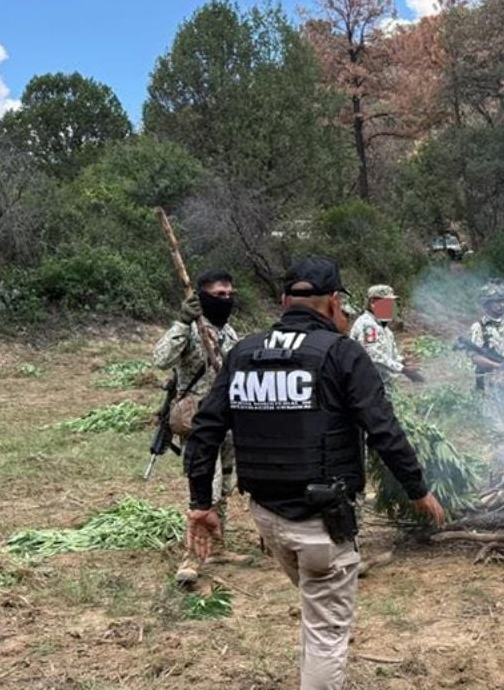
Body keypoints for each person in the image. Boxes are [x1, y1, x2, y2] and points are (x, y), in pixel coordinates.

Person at [183, 256, 446, 690]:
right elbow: (383, 429)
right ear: (334, 303)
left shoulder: (244, 352)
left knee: (316, 609)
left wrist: (199, 504)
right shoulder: (343, 353)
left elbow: (205, 431)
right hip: (321, 522)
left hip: (268, 519)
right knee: (327, 633)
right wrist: (418, 490)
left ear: (284, 302)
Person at [153, 268, 241, 585]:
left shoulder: (229, 332)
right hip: (200, 422)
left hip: (229, 419)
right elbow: (161, 359)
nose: (226, 299)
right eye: (219, 294)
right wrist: (182, 321)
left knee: (226, 484)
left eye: (230, 294)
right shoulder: (189, 329)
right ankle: (191, 556)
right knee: (205, 487)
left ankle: (218, 546)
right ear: (202, 296)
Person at [349, 284, 422, 385]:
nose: (390, 308)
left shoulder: (384, 328)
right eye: (386, 303)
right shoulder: (368, 325)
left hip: (381, 383)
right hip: (366, 384)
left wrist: (403, 362)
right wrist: (404, 370)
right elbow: (373, 356)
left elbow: (389, 355)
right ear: (373, 303)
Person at [468, 282, 504, 393]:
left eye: (503, 301)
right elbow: (475, 358)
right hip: (490, 384)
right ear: (487, 303)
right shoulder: (478, 327)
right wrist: (499, 366)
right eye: (497, 301)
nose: (502, 305)